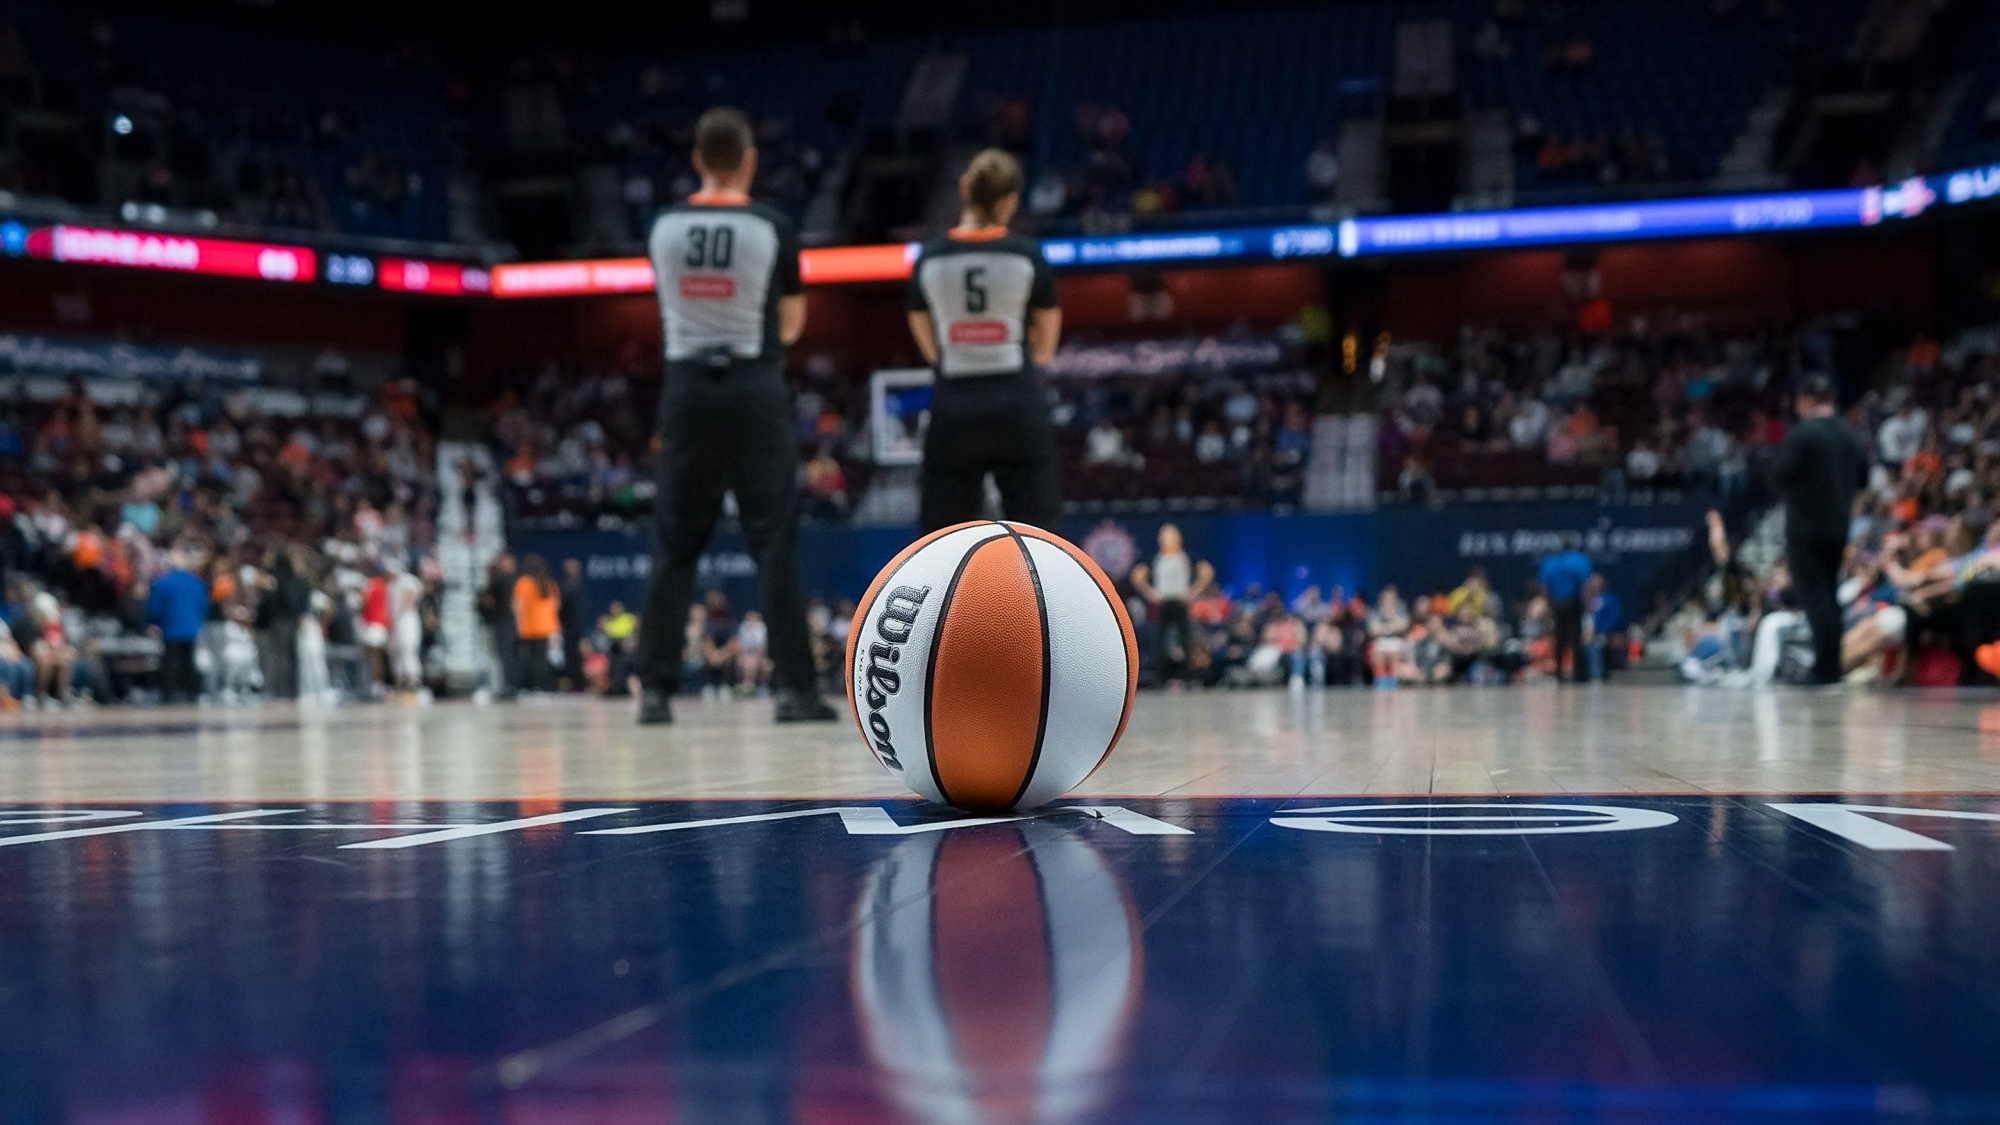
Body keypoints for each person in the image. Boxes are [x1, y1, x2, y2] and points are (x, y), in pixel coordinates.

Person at [633, 106, 834, 726]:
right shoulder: (773, 227)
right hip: (754, 388)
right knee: (773, 539)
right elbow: (792, 326)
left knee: (675, 543)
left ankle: (656, 692)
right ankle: (796, 692)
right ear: (749, 161)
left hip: (687, 388)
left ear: (697, 160)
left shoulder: (663, 226)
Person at [904, 148, 1064, 532]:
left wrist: (956, 355)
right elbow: (1046, 346)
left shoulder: (930, 257)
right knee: (1038, 534)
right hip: (1016, 404)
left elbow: (926, 340)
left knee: (943, 536)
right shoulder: (1026, 255)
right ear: (1009, 200)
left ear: (965, 188)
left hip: (953, 408)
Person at [1771, 374, 1869, 684]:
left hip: (1805, 528)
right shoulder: (1850, 434)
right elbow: (1864, 479)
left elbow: (1780, 475)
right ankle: (1832, 666)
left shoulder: (1802, 434)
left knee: (1815, 597)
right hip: (1839, 527)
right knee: (1829, 594)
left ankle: (1824, 670)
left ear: (1804, 401)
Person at [1130, 524, 1213, 687]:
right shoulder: (1156, 559)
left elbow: (1206, 571)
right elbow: (1137, 575)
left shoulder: (1186, 557)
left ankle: (1188, 675)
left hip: (1181, 601)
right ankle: (1161, 677)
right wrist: (1151, 593)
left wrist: (1193, 592)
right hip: (1164, 602)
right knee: (1160, 640)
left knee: (1185, 638)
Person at [146, 549, 209, 703]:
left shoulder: (162, 582)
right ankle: (191, 692)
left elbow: (155, 607)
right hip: (191, 627)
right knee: (189, 661)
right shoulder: (197, 582)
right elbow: (204, 605)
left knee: (170, 661)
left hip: (170, 627)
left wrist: (153, 622)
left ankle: (170, 693)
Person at [1537, 536, 1593, 683]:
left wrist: (1547, 604)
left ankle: (1559, 673)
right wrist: (1587, 605)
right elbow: (1585, 585)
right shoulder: (1580, 560)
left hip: (1556, 603)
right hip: (1573, 602)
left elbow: (1544, 586)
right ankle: (1577, 674)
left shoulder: (1549, 562)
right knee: (1576, 637)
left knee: (1559, 637)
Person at [513, 554, 560, 695]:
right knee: (542, 659)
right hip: (546, 627)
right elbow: (556, 605)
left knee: (529, 659)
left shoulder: (523, 583)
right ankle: (544, 686)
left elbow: (518, 605)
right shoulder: (548, 583)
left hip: (528, 627)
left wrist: (518, 623)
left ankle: (531, 687)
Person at [558, 558, 587, 692]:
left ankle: (577, 684)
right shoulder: (575, 586)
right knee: (572, 656)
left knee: (573, 656)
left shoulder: (569, 587)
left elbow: (563, 608)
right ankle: (576, 683)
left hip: (572, 627)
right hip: (572, 626)